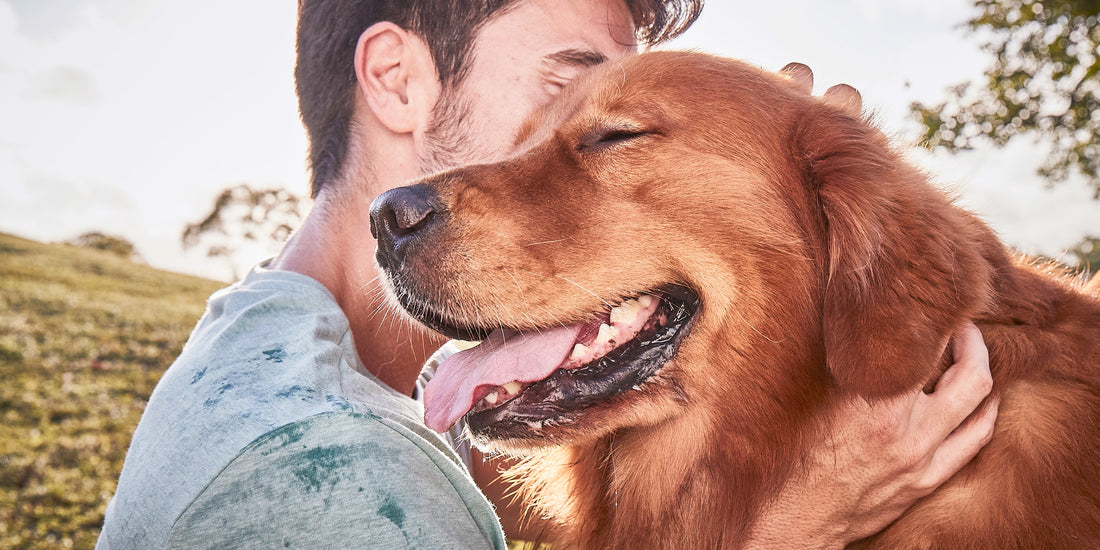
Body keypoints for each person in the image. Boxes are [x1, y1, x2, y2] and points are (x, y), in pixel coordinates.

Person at [97, 1, 999, 548]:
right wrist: (787, 531)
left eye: (609, 129)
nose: (571, 140)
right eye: (568, 92)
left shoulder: (277, 334)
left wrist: (798, 207)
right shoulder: (332, 488)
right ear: (397, 80)